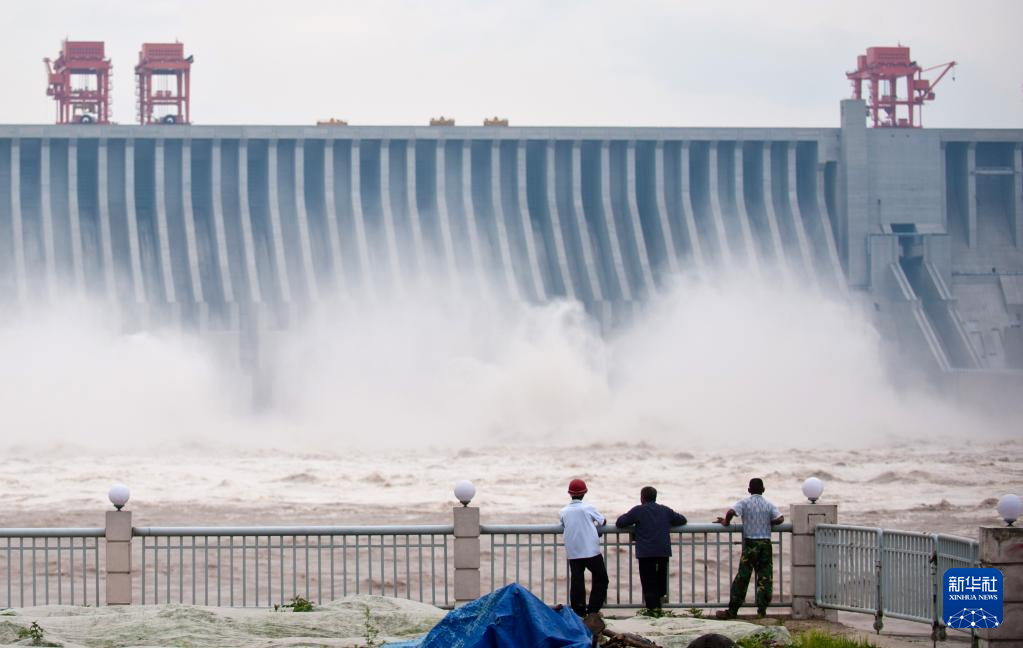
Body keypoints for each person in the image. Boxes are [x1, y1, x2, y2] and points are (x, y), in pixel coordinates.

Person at [714, 477, 784, 619]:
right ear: (763, 490)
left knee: (743, 578)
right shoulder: (768, 504)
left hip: (750, 544)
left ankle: (733, 611)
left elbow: (731, 511)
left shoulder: (745, 502)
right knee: (765, 578)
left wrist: (726, 522)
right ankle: (762, 611)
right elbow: (781, 518)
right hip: (765, 544)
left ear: (749, 490)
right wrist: (769, 522)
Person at [615, 486, 687, 612]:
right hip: (662, 551)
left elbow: (620, 522)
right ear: (655, 497)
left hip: (646, 553)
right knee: (660, 583)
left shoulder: (638, 510)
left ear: (642, 498)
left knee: (648, 584)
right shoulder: (665, 510)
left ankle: (652, 611)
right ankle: (659, 608)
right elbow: (682, 520)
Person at [559, 478, 608, 618]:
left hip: (573, 551)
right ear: (584, 493)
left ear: (570, 494)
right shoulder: (588, 508)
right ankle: (593, 609)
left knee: (577, 581)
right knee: (601, 578)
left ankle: (579, 611)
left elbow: (564, 524)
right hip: (591, 550)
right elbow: (602, 521)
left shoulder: (563, 511)